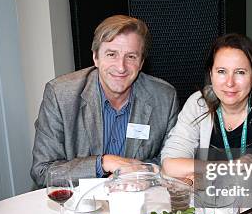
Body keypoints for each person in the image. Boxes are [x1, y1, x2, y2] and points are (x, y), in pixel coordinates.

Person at [31, 15, 179, 187]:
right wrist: (102, 163)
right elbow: (43, 171)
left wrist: (138, 174)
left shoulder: (164, 97)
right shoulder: (60, 95)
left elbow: (172, 161)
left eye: (131, 57)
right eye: (111, 54)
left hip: (137, 200)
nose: (121, 67)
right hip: (76, 204)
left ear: (141, 62)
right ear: (95, 57)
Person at [161, 33, 252, 183]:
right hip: (209, 202)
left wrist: (202, 173)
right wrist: (230, 167)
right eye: (221, 71)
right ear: (211, 75)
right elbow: (170, 165)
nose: (230, 83)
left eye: (240, 72)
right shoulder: (198, 103)